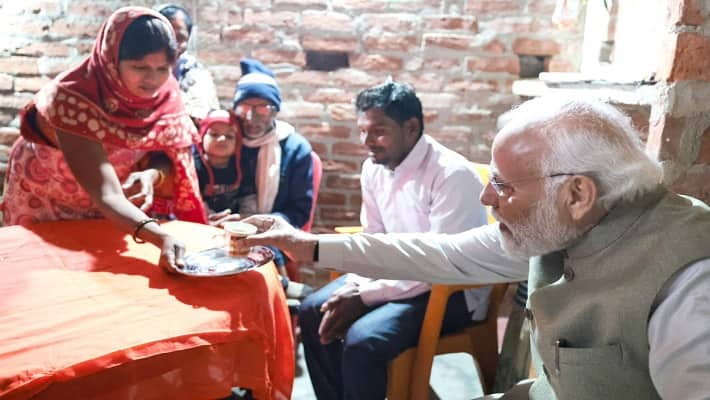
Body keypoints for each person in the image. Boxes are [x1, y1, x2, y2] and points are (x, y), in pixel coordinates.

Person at [242, 96, 710, 400]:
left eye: (503, 186)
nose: (487, 197)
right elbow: (439, 253)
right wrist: (307, 246)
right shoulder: (566, 223)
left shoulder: (689, 282)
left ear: (577, 193)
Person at [299, 81, 492, 400]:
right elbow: (373, 239)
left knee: (364, 339)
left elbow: (440, 264)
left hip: (453, 290)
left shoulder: (451, 175)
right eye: (362, 131)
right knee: (311, 310)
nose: (367, 142)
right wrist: (354, 287)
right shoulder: (373, 169)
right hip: (398, 273)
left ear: (412, 127)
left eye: (378, 131)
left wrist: (365, 297)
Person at [0, 7, 208, 273]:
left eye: (163, 68)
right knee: (43, 275)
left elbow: (165, 155)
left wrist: (151, 175)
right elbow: (106, 192)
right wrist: (159, 236)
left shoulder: (166, 96)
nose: (152, 79)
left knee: (99, 278)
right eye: (139, 67)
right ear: (111, 60)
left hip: (115, 209)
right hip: (45, 197)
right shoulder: (72, 99)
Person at [222, 58, 315, 280]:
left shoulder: (295, 149)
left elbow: (299, 209)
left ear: (275, 111)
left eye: (262, 108)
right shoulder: (226, 140)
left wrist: (261, 226)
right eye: (245, 107)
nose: (252, 117)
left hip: (273, 231)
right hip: (225, 229)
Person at [158, 4, 219, 124]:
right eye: (166, 36)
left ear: (187, 41)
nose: (172, 45)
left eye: (180, 38)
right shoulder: (137, 71)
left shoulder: (199, 77)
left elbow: (208, 122)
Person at [193, 109, 243, 216]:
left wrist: (245, 217)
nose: (222, 139)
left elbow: (248, 197)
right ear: (201, 138)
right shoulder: (194, 167)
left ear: (237, 144)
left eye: (229, 136)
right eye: (214, 134)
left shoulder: (242, 167)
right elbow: (193, 198)